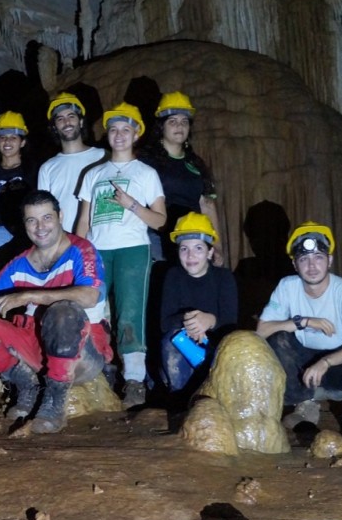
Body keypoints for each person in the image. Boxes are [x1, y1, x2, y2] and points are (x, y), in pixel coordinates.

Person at [0, 190, 112, 433]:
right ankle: (26, 383)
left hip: (81, 351)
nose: (40, 227)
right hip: (35, 345)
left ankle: (54, 400)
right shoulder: (21, 263)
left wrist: (29, 295)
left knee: (63, 311)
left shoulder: (81, 250)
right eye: (31, 220)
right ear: (24, 224)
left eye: (47, 218)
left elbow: (89, 296)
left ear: (60, 216)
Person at [76, 102, 166, 408]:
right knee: (92, 311)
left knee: (130, 312)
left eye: (125, 130)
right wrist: (78, 251)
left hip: (132, 249)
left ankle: (135, 381)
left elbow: (160, 220)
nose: (118, 135)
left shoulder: (146, 173)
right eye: (113, 129)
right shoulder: (94, 173)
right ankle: (93, 370)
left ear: (136, 133)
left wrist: (131, 205)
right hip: (98, 249)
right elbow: (84, 219)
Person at [256, 222, 342, 434]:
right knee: (279, 338)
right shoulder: (287, 287)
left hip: (338, 364)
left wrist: (325, 362)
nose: (312, 266)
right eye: (304, 259)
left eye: (318, 257)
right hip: (303, 364)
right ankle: (304, 402)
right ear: (295, 265)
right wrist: (303, 321)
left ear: (330, 260)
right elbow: (262, 330)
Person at [159, 212, 237, 402]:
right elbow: (164, 323)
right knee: (172, 339)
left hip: (214, 351)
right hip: (185, 349)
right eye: (184, 248)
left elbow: (232, 323)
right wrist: (191, 322)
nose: (190, 255)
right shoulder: (173, 277)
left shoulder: (224, 278)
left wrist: (210, 321)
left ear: (210, 252)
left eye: (198, 248)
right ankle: (180, 401)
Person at [140, 91, 223, 263]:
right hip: (157, 240)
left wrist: (217, 247)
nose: (180, 126)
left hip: (192, 241)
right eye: (173, 121)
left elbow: (207, 205)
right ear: (161, 126)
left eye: (184, 122)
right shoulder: (145, 161)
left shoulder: (196, 163)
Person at [37, 93, 106, 232]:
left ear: (80, 122)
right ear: (55, 127)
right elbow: (43, 211)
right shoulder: (47, 168)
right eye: (60, 119)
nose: (66, 122)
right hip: (64, 241)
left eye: (71, 116)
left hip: (101, 238)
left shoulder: (103, 157)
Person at [0, 111, 38, 253]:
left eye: (13, 137)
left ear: (23, 142)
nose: (7, 142)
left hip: (26, 232)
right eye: (3, 137)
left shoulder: (33, 170)